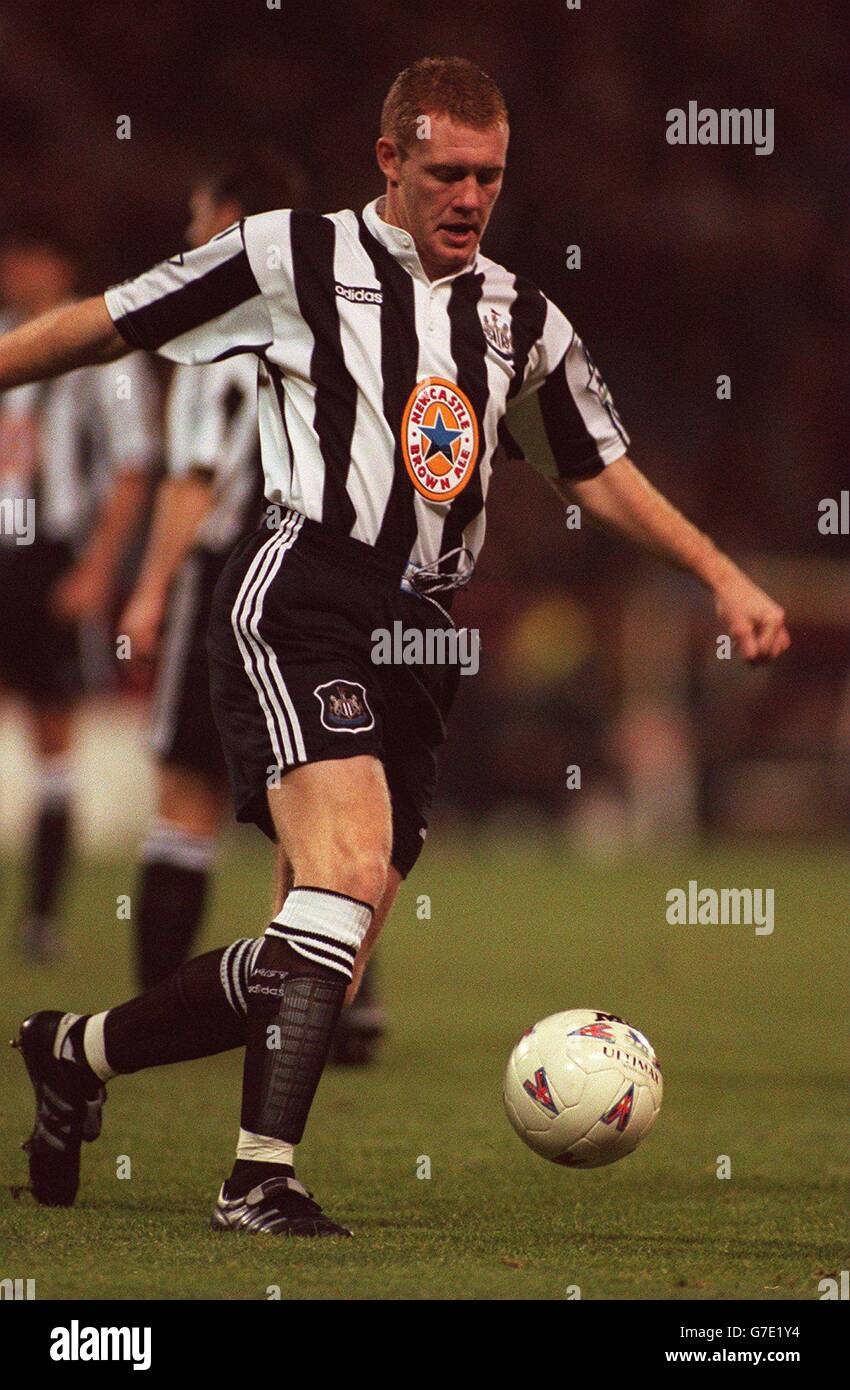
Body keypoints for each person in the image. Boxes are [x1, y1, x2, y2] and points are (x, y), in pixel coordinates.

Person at [4, 58, 789, 1236]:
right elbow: (110, 322)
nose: (470, 197)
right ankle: (257, 1178)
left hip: (422, 634)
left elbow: (597, 471)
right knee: (348, 870)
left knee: (321, 946)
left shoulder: (521, 317)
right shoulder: (288, 257)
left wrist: (720, 571)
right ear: (389, 162)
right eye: (446, 174)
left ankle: (75, 1052)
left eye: (490, 177)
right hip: (304, 587)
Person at [118, 162, 386, 1060]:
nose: (189, 233)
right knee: (321, 800)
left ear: (231, 217)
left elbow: (192, 479)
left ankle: (153, 1009)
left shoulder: (215, 318)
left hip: (232, 576)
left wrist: (151, 590)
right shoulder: (337, 316)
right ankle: (345, 1009)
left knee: (184, 801)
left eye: (197, 213)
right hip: (328, 577)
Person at [0, 229, 159, 959]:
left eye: (31, 254)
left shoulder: (100, 354)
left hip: (52, 554)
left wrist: (99, 568)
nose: (18, 267)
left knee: (51, 734)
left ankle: (40, 916)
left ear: (61, 263)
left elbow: (134, 464)